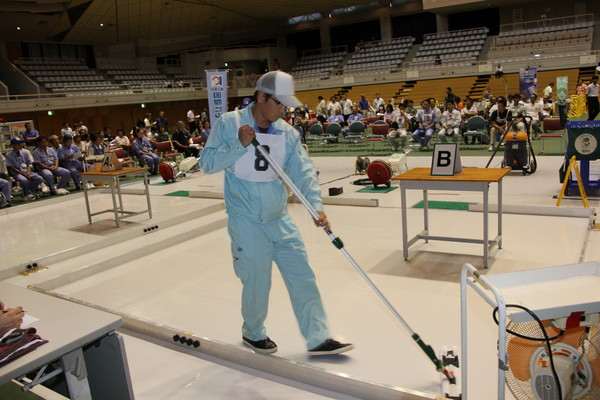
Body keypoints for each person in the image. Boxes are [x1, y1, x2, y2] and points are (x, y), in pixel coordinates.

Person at [199, 70, 352, 356]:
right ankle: (252, 332)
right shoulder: (230, 123)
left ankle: (318, 337)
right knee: (258, 281)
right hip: (246, 220)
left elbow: (303, 173)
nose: (284, 110)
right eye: (279, 103)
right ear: (261, 97)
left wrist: (315, 206)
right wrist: (238, 144)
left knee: (302, 275)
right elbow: (206, 163)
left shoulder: (287, 133)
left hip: (279, 218)